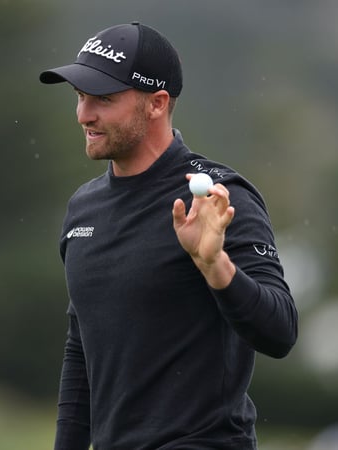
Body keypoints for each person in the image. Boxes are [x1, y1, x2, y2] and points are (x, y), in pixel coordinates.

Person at [39, 22, 298, 450]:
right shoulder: (82, 208)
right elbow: (81, 347)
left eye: (103, 98)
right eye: (80, 97)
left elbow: (280, 331)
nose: (85, 114)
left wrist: (216, 266)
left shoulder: (218, 197)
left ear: (157, 104)